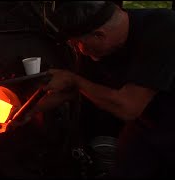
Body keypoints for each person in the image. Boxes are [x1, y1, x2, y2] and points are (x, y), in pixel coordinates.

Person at [40, 1, 175, 178]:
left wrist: (75, 80)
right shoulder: (97, 47)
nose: (82, 51)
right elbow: (77, 88)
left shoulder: (163, 29)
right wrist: (26, 110)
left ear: (99, 35)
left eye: (79, 44)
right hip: (147, 122)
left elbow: (129, 107)